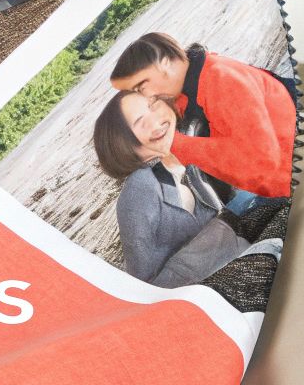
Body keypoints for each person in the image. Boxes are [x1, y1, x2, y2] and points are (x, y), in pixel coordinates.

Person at [107, 32, 297, 202]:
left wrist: (173, 143)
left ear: (164, 63)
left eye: (141, 87)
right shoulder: (194, 81)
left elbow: (261, 163)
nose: (145, 97)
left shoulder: (222, 81)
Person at [94, 90, 253, 287]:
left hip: (238, 256)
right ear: (124, 144)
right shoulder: (140, 188)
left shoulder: (183, 158)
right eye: (139, 123)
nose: (155, 121)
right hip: (205, 292)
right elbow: (144, 284)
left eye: (152, 106)